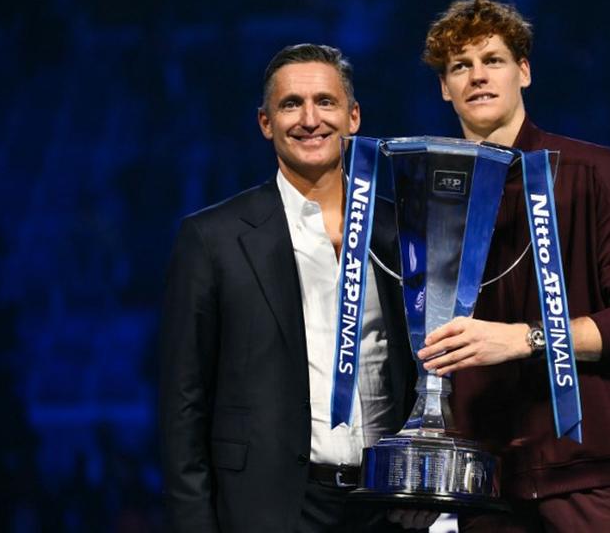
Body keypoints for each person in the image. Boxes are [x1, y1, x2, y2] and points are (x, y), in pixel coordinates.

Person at [416, 0, 610, 532]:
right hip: (484, 485)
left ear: (524, 72)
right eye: (460, 66)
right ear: (444, 87)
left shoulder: (593, 173)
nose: (477, 77)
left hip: (591, 476)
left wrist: (525, 338)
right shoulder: (431, 198)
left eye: (493, 60)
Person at [159, 43, 434, 532]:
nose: (310, 119)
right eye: (291, 104)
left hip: (387, 506)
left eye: (325, 102)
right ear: (266, 123)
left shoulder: (402, 231)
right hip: (271, 508)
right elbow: (183, 405)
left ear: (353, 118)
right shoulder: (213, 238)